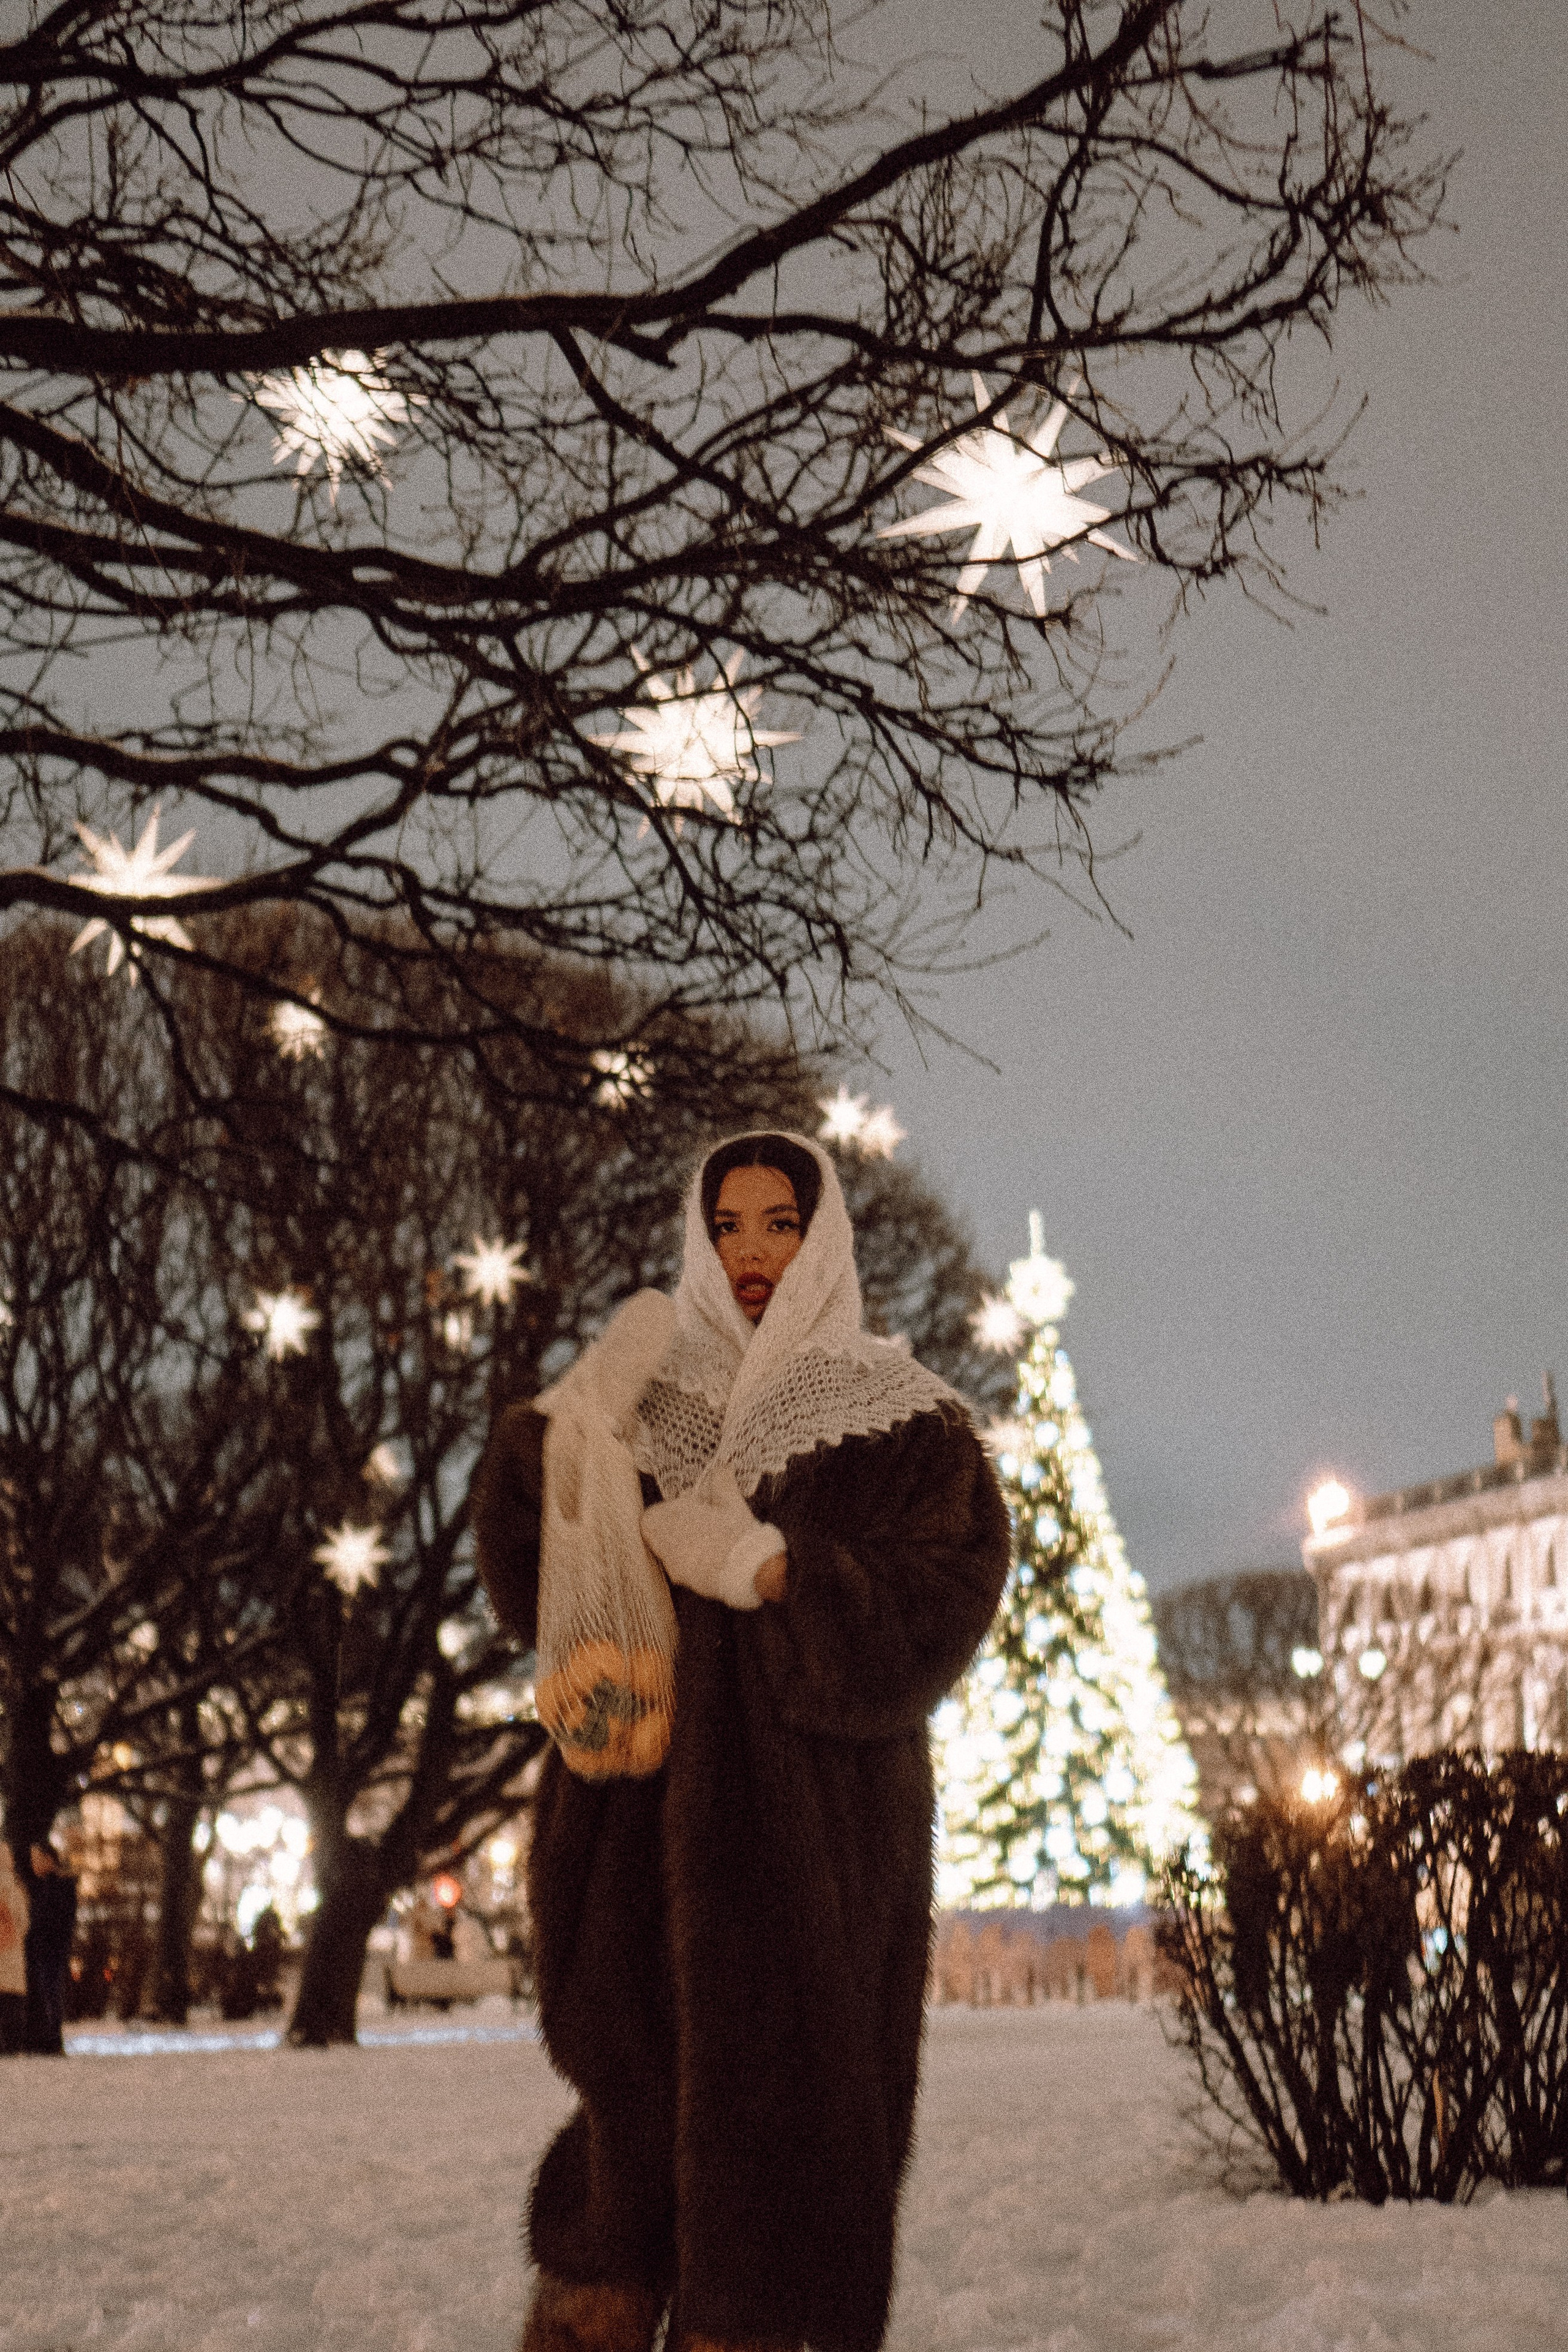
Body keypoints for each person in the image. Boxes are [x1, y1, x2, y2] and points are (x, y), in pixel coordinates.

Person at [475, 1131, 1011, 2352]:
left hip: (811, 1868)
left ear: (820, 1240)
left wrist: (775, 1571)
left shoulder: (903, 1423)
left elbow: (940, 1605)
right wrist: (558, 1440)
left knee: (786, 2169)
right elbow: (530, 1586)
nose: (752, 1250)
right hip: (625, 1852)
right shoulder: (645, 1398)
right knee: (623, 2144)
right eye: (728, 1225)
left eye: (778, 1223)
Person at [24, 1839, 78, 2054]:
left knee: (50, 1992)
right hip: (46, 1948)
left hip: (50, 1949)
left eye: (36, 1859)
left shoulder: (58, 1885)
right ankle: (47, 2039)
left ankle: (52, 2040)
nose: (33, 1864)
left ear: (49, 1859)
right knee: (48, 1992)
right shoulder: (49, 1884)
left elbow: (52, 1920)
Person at [0, 1839, 30, 2054]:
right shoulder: (15, 1887)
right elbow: (23, 1921)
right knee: (12, 2003)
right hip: (12, 1951)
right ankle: (12, 2045)